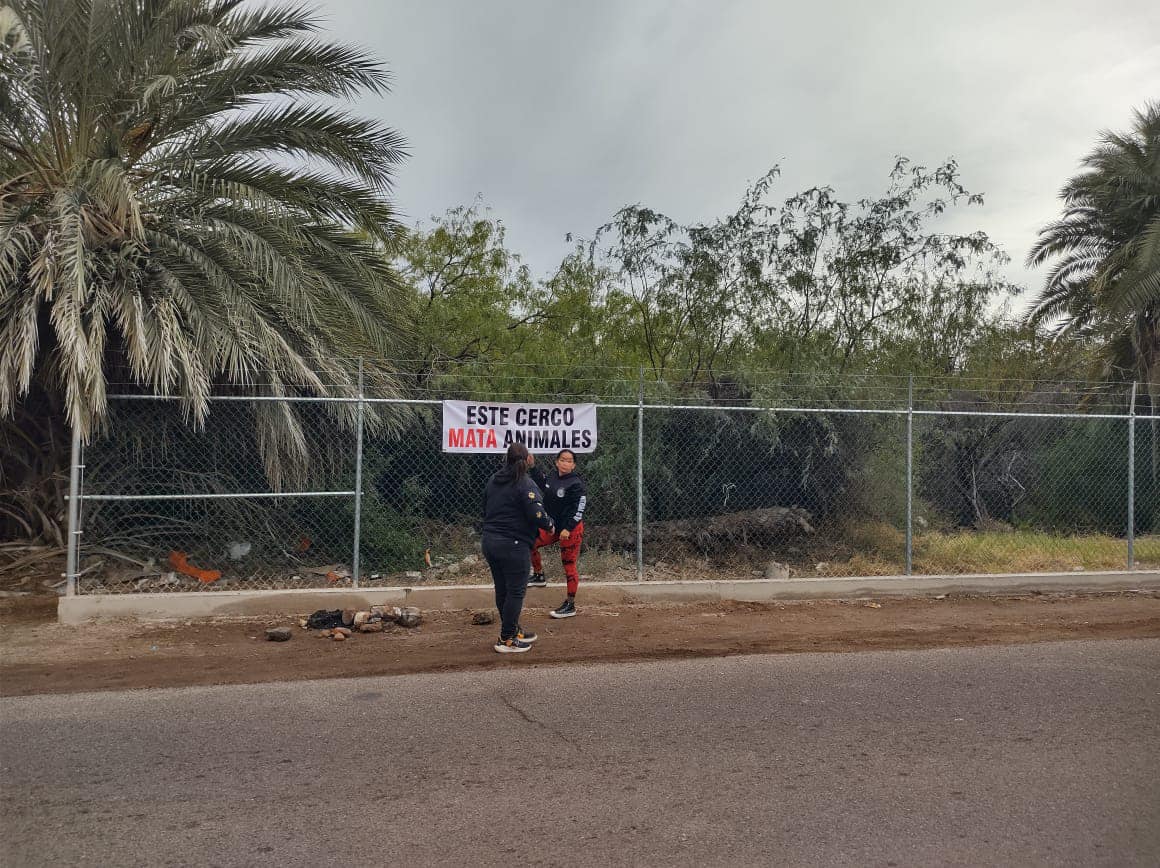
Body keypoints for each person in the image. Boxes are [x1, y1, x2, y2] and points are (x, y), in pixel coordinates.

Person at [481, 442, 555, 653]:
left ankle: (513, 630)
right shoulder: (525, 483)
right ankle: (506, 639)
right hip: (513, 544)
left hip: (490, 541)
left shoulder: (494, 479)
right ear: (527, 459)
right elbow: (537, 513)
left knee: (502, 589)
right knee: (515, 592)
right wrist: (549, 525)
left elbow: (485, 507)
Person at [527, 449, 587, 619]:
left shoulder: (576, 484)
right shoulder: (553, 478)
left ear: (573, 465)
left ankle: (570, 604)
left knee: (568, 565)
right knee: (531, 541)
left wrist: (568, 528)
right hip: (553, 526)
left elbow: (579, 509)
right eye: (563, 459)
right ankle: (539, 575)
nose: (566, 463)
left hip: (571, 529)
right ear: (557, 462)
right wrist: (532, 466)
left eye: (569, 461)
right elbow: (542, 482)